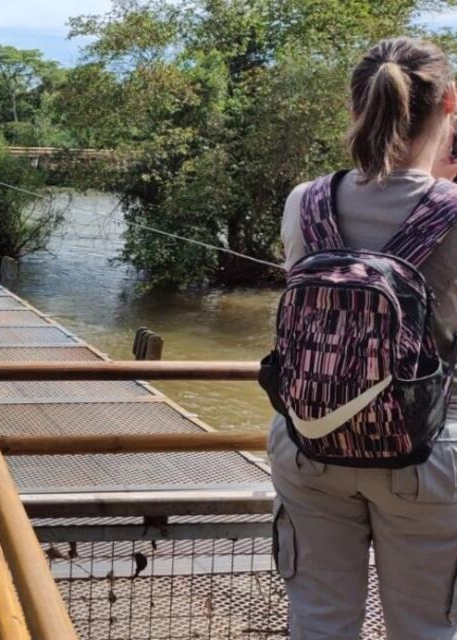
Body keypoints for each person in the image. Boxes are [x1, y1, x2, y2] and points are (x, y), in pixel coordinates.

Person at [272, 37, 457, 639]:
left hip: (310, 440)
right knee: (427, 629)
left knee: (320, 624)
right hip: (429, 455)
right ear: (449, 103)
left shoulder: (306, 202)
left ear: (355, 107)